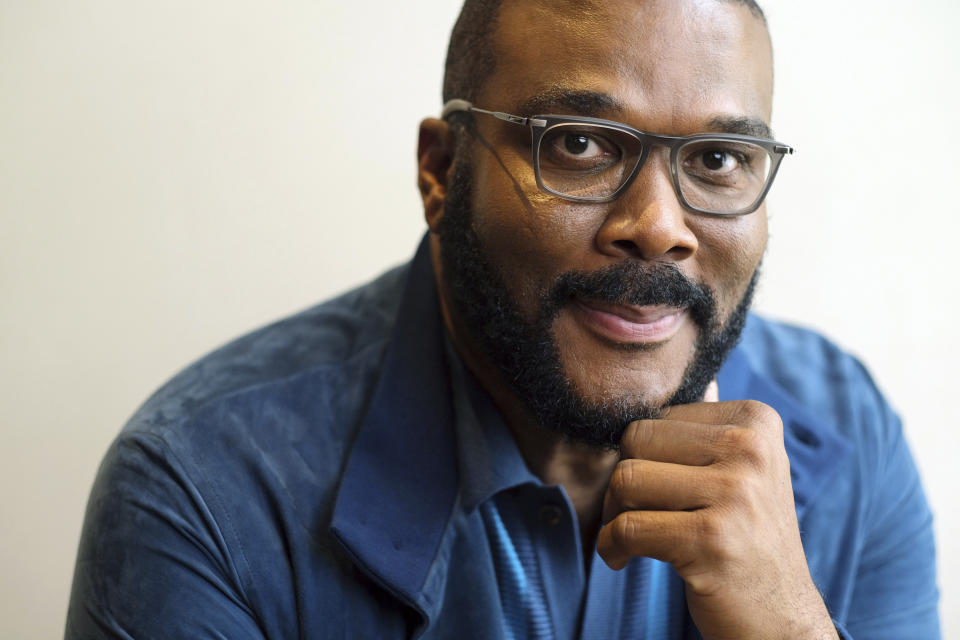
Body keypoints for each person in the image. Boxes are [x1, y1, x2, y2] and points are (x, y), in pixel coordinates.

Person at [66, 0, 940, 638]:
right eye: (578, 142)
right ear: (442, 173)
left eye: (718, 159)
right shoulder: (206, 491)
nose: (660, 227)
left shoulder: (852, 439)